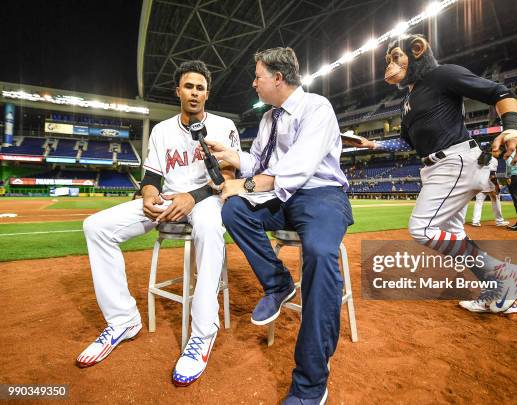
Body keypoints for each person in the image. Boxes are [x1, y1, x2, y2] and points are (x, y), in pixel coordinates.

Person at [76, 61, 241, 387]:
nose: (194, 92)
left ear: (207, 93)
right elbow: (151, 177)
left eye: (200, 87)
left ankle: (203, 332)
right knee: (95, 227)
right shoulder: (162, 129)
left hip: (206, 200)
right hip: (166, 200)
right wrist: (149, 194)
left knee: (209, 228)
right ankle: (123, 319)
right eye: (188, 86)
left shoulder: (224, 126)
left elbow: (228, 177)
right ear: (178, 91)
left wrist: (192, 197)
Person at [204, 47, 352, 405]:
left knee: (318, 253)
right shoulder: (270, 118)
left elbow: (297, 167)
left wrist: (247, 184)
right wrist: (231, 157)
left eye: (258, 77)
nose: (253, 83)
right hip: (283, 199)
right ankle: (279, 282)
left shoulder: (317, 107)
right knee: (233, 209)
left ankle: (311, 383)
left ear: (278, 78)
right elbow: (259, 161)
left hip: (322, 195)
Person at [345, 33, 517, 314]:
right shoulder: (407, 101)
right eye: (387, 60)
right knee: (452, 232)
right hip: (437, 166)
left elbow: (500, 92)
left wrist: (513, 127)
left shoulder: (441, 75)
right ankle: (500, 291)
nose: (389, 64)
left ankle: (506, 275)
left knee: (422, 229)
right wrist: (372, 143)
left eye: (395, 57)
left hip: (454, 160)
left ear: (417, 50)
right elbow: (407, 143)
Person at [466, 156, 509, 227]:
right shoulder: (494, 159)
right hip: (489, 183)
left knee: (479, 202)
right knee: (496, 201)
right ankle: (499, 221)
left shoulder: (479, 157)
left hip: (480, 181)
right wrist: (496, 185)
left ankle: (475, 221)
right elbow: (492, 175)